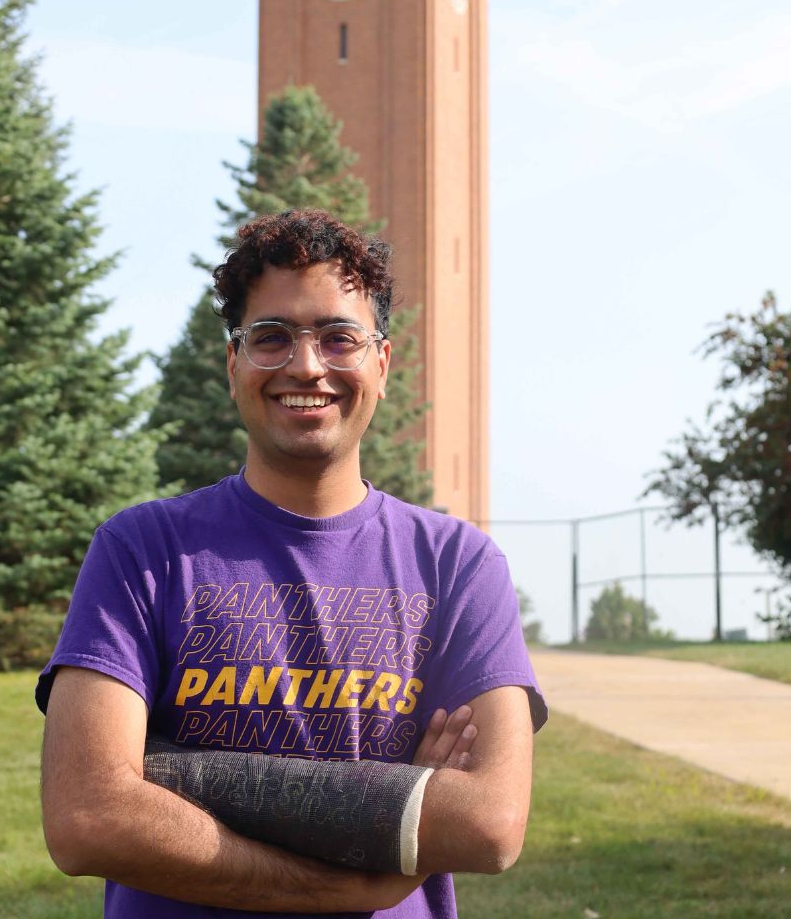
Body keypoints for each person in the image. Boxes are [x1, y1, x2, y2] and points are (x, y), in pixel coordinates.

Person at [37, 209, 546, 918]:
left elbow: (490, 824)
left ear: (382, 363)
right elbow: (87, 816)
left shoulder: (459, 566)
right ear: (233, 364)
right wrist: (386, 826)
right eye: (271, 338)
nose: (306, 365)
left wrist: (170, 782)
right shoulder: (140, 552)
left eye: (339, 338)